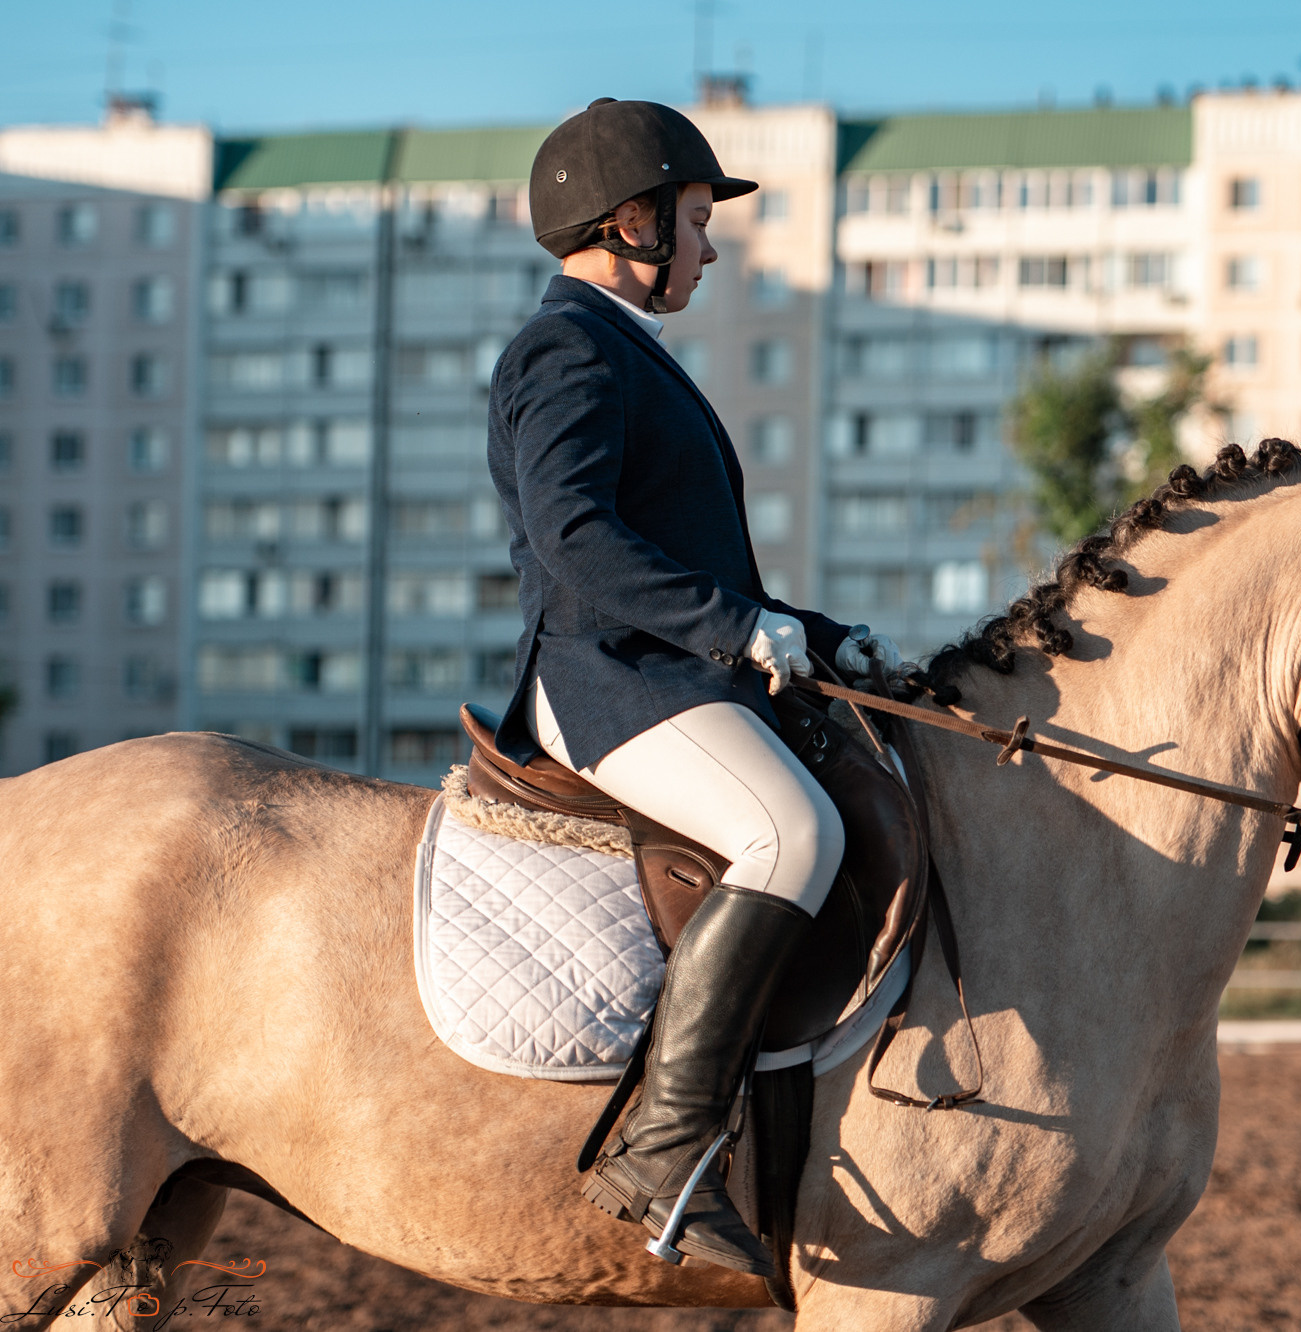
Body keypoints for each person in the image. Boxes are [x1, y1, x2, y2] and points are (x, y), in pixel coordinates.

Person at [486, 98, 902, 1276]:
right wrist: (738, 628)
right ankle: (664, 1147)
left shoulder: (621, 347)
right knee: (791, 834)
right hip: (609, 677)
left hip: (670, 670)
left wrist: (814, 635)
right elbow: (576, 539)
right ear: (633, 222)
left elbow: (692, 558)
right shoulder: (567, 347)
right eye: (696, 220)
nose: (710, 248)